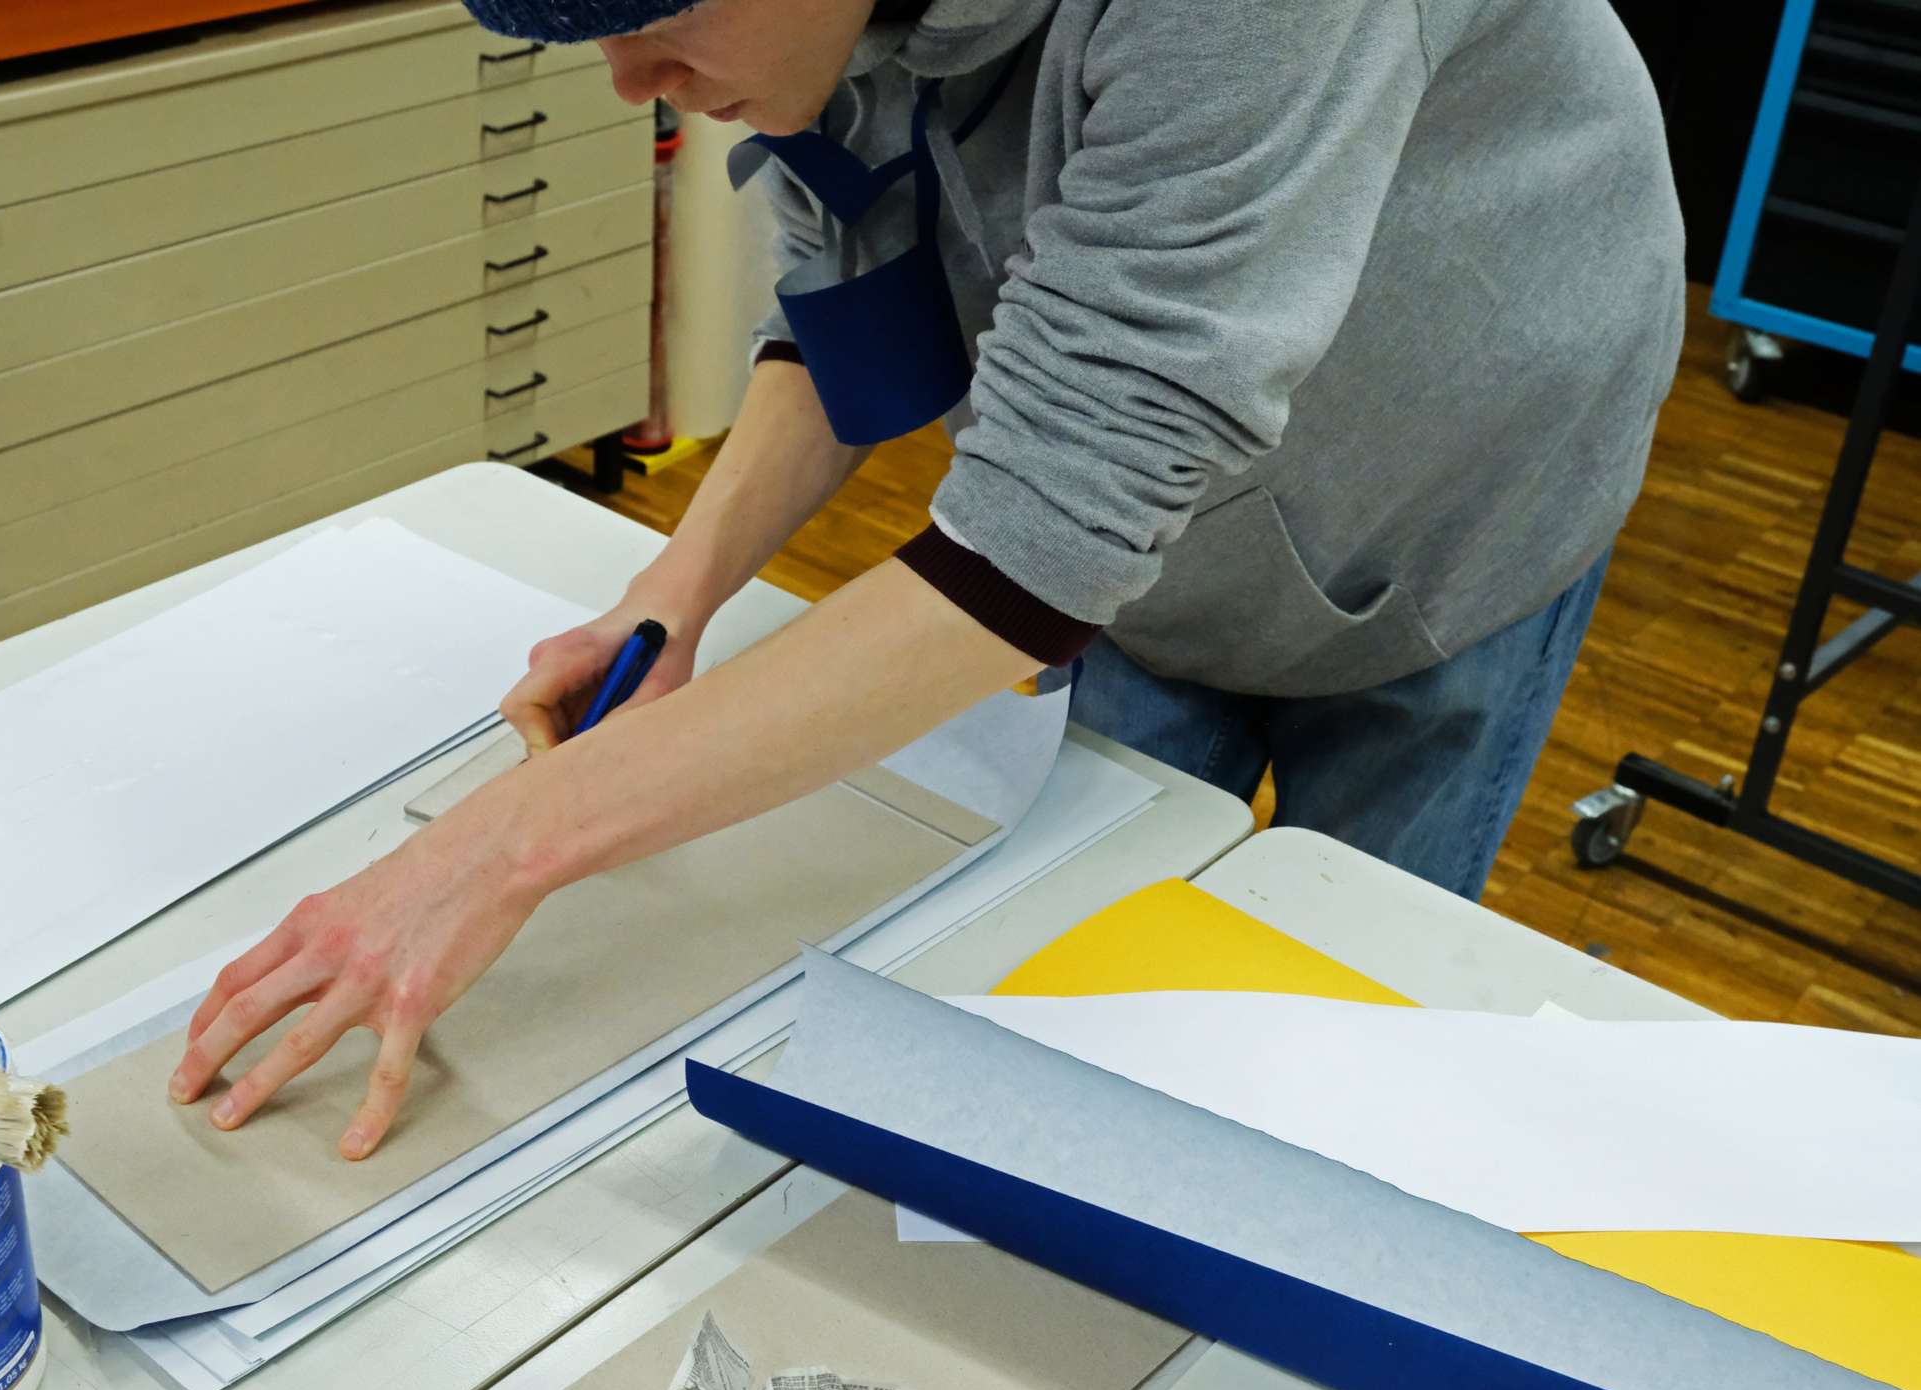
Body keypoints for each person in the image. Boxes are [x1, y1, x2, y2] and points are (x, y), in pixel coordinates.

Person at [169, 0, 1685, 1158]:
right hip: (1159, 515)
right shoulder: (827, 17)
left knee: (1336, 1030)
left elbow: (1053, 527)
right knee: (1087, 968)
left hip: (1458, 455)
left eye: (659, 13)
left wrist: (499, 849)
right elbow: (862, 281)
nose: (631, 79)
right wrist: (677, 585)